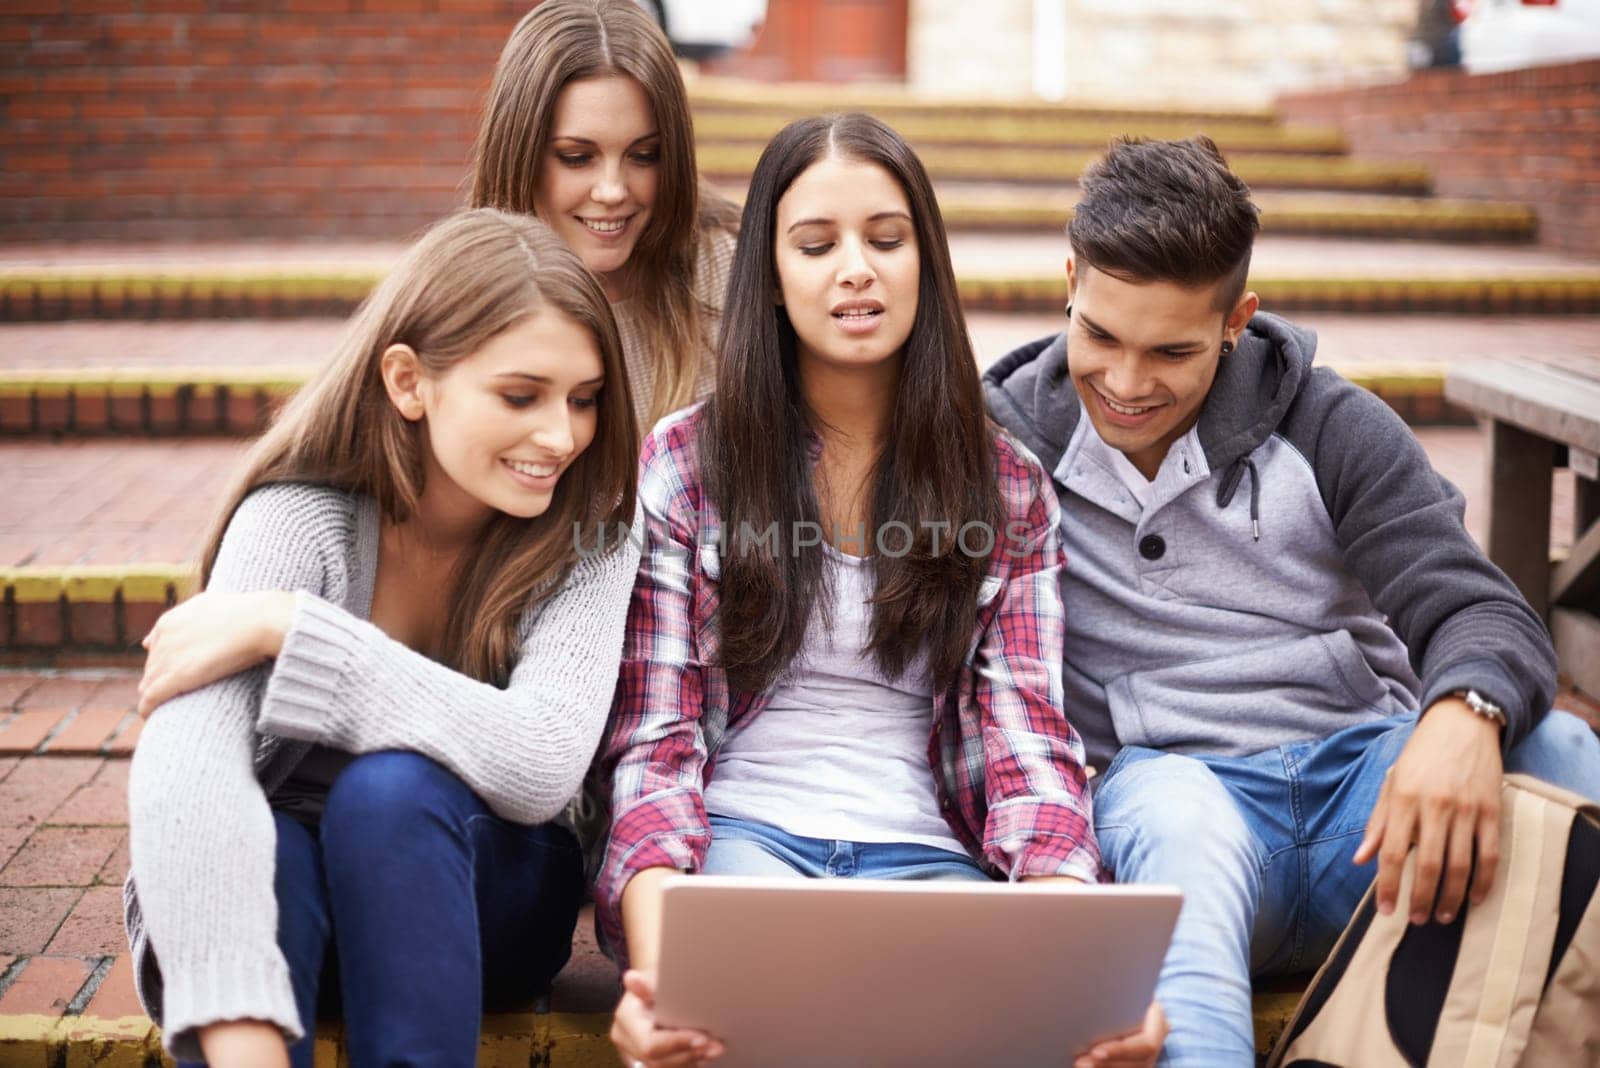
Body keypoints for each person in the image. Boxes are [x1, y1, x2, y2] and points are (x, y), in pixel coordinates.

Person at [981, 135, 1600, 1066]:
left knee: (1558, 749)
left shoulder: (1329, 424)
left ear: (1239, 319)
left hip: (1374, 802)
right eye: (1099, 334)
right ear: (1069, 279)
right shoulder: (1008, 445)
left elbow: (1480, 609)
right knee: (1172, 814)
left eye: (1172, 350)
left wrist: (1463, 715)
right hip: (1176, 802)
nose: (1126, 382)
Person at [594, 113, 1167, 1068]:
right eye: (816, 245)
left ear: (924, 267)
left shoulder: (1007, 488)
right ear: (771, 282)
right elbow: (654, 744)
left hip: (930, 863)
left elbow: (1025, 743)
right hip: (742, 850)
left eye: (885, 240)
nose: (854, 268)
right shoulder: (687, 464)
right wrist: (662, 977)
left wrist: (1077, 968)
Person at [125, 209, 642, 1068]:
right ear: (409, 382)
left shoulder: (590, 539)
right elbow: (187, 760)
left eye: (584, 400)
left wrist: (294, 632)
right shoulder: (299, 520)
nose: (561, 436)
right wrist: (239, 1036)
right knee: (276, 841)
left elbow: (544, 757)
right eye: (521, 395)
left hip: (486, 902)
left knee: (389, 792)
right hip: (290, 919)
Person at [469, 0, 740, 435]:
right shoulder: (459, 293)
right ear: (518, 152)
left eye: (644, 155)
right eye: (577, 158)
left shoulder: (731, 275)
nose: (613, 191)